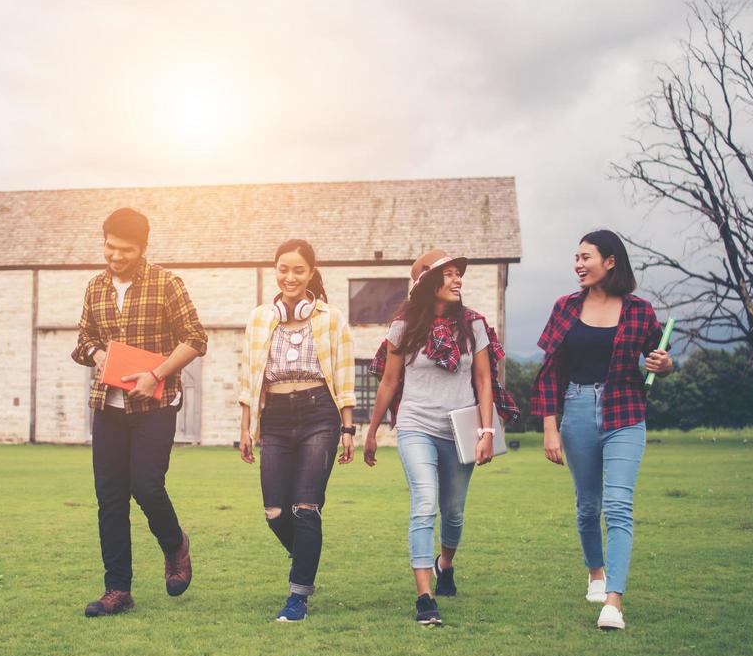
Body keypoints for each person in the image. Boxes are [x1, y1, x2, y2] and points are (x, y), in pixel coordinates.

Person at [363, 249, 517, 627]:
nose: (457, 280)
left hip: (461, 429)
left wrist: (487, 432)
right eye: (448, 274)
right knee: (424, 503)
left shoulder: (474, 325)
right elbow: (390, 381)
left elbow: (483, 380)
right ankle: (424, 597)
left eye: (457, 274)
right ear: (428, 283)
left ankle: (444, 563)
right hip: (417, 425)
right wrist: (371, 430)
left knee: (453, 511)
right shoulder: (403, 328)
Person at [531, 229, 673, 631]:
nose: (578, 264)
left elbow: (658, 359)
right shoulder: (564, 307)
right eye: (575, 258)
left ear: (610, 261)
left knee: (618, 506)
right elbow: (549, 372)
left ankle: (613, 602)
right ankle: (596, 572)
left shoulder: (639, 311)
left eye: (586, 257)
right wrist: (549, 427)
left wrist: (664, 365)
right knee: (588, 505)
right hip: (575, 410)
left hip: (624, 411)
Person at [71, 208, 208, 617]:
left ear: (143, 248)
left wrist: (156, 373)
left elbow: (195, 339)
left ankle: (174, 544)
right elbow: (83, 341)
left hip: (155, 404)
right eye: (110, 247)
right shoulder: (95, 287)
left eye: (125, 250)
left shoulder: (167, 284)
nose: (115, 257)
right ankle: (118, 590)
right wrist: (96, 354)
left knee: (146, 485)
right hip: (107, 405)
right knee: (110, 498)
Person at [238, 239, 357, 622]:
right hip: (274, 417)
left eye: (298, 270)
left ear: (311, 273)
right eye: (283, 269)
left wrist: (349, 428)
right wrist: (246, 426)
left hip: (318, 413)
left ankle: (298, 596)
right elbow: (249, 377)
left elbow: (344, 373)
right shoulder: (259, 319)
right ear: (275, 271)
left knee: (306, 507)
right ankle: (304, 554)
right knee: (275, 511)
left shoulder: (331, 318)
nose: (290, 277)